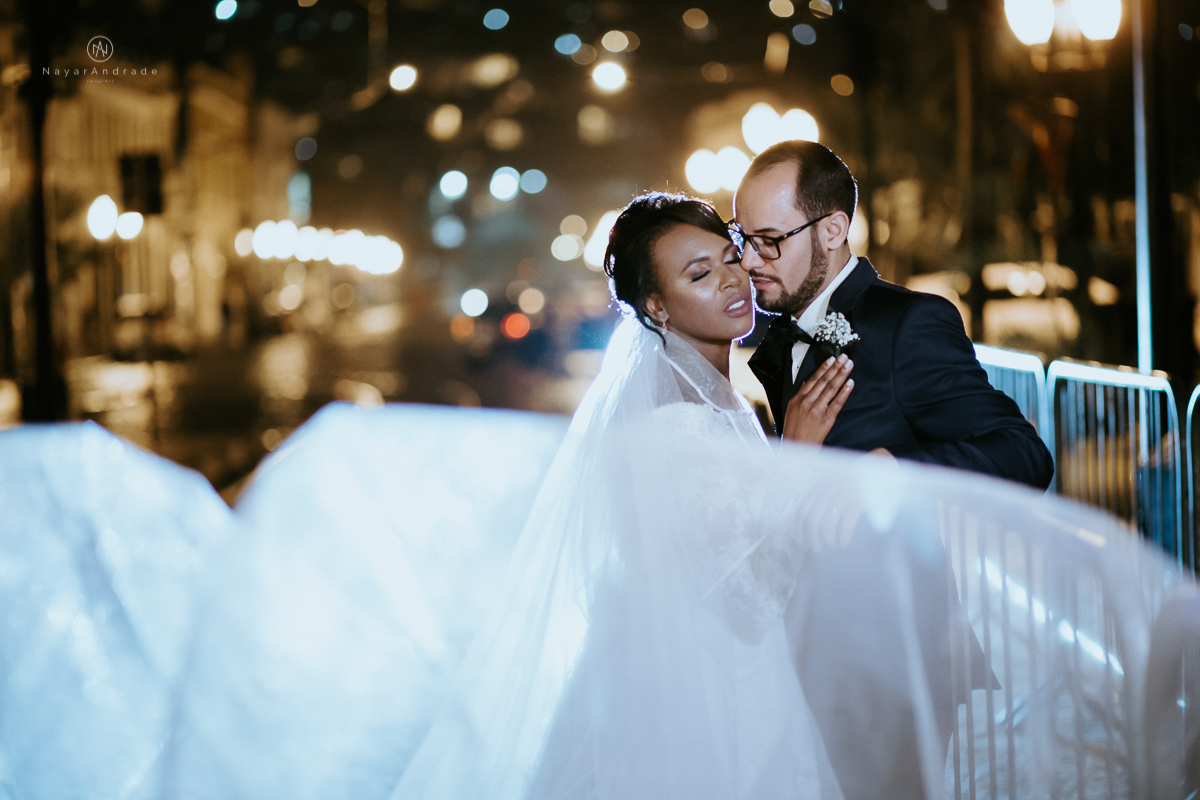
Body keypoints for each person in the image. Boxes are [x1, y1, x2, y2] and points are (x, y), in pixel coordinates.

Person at [390, 192, 855, 800]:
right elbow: (749, 596)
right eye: (699, 274)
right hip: (716, 691)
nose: (730, 280)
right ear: (657, 307)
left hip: (723, 672)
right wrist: (799, 457)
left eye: (728, 258)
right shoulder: (678, 424)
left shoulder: (718, 395)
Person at [733, 140, 1047, 800]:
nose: (749, 261)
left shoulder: (910, 324)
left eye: (768, 240)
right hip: (808, 645)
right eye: (742, 239)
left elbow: (1021, 452)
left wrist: (895, 471)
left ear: (833, 229)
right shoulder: (777, 339)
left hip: (894, 656)